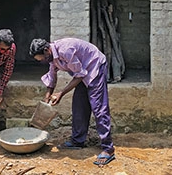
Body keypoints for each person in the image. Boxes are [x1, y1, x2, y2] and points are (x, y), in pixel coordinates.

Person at [29, 38, 116, 166]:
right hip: (82, 72)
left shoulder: (65, 50)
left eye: (41, 59)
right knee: (79, 106)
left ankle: (108, 148)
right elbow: (52, 77)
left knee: (98, 108)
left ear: (47, 50)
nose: (42, 61)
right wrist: (47, 97)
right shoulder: (52, 57)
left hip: (94, 67)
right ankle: (78, 141)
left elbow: (80, 74)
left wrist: (61, 93)